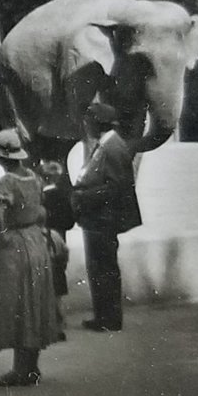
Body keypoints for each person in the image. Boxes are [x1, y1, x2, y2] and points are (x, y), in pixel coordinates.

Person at [0, 128, 58, 387]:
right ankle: (31, 366)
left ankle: (19, 370)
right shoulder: (34, 179)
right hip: (35, 241)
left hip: (15, 246)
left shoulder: (5, 183)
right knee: (34, 302)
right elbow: (41, 212)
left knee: (16, 304)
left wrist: (3, 239)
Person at [72, 101, 143, 332]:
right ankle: (104, 316)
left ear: (97, 123)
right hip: (99, 218)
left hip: (103, 219)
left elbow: (115, 187)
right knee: (101, 268)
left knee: (103, 268)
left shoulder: (112, 147)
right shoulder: (108, 144)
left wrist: (83, 196)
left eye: (89, 122)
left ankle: (108, 318)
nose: (87, 126)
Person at [39, 159, 75, 342]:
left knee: (45, 284)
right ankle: (60, 323)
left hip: (44, 242)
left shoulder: (41, 199)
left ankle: (49, 324)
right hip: (59, 243)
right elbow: (70, 222)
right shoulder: (64, 196)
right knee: (58, 286)